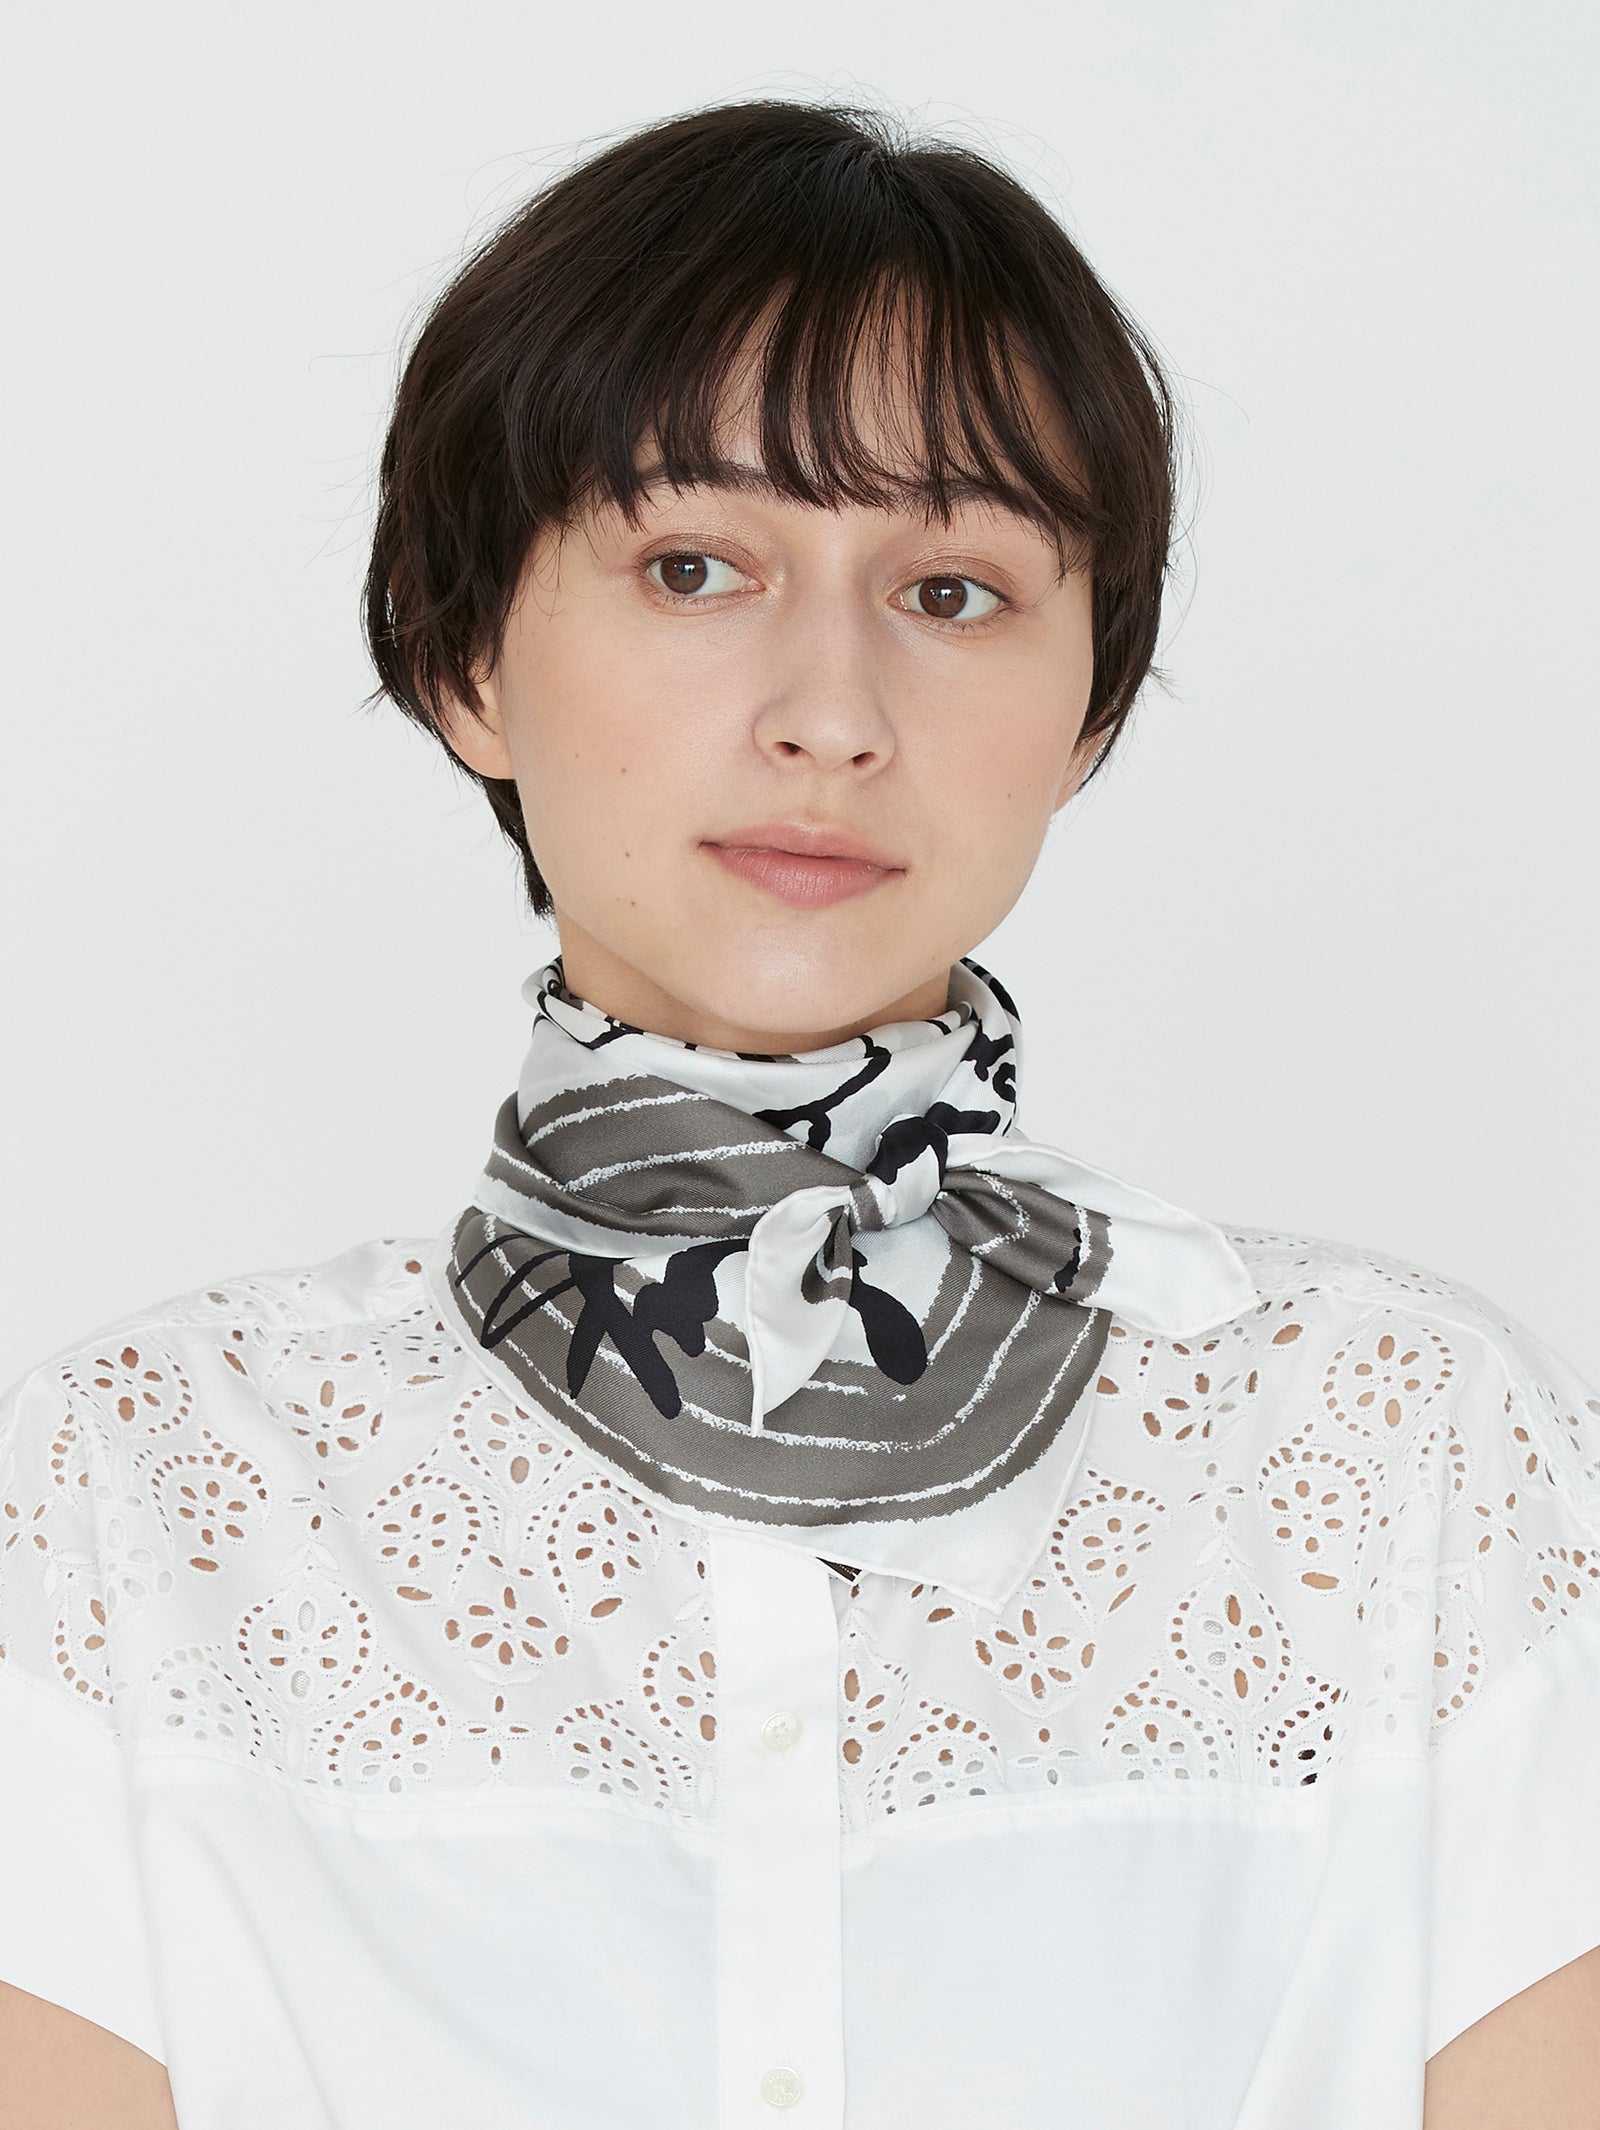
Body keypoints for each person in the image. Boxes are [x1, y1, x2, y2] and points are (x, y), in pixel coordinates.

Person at [1, 95, 1596, 2130]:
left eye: (953, 593)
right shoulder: (138, 1490)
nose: (829, 716)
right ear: (463, 651)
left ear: (1091, 705)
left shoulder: (1409, 1453)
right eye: (694, 567)